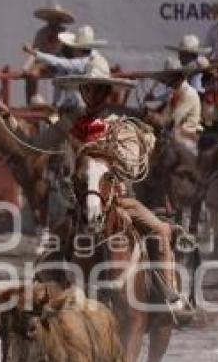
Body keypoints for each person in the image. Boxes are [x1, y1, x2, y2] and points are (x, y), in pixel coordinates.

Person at [50, 62, 194, 319]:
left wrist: (98, 155)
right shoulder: (73, 128)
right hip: (81, 201)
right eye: (88, 90)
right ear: (83, 92)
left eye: (98, 90)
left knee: (159, 230)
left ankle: (168, 291)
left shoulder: (121, 125)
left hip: (119, 199)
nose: (93, 95)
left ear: (107, 92)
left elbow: (131, 164)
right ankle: (49, 289)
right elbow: (64, 166)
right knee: (54, 238)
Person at [23, 24, 109, 109]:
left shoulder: (80, 63)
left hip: (80, 104)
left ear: (78, 49)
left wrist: (34, 53)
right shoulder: (94, 60)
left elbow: (58, 62)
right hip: (88, 102)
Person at [145, 56, 203, 153]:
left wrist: (154, 117)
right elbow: (166, 115)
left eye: (169, 77)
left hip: (185, 136)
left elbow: (173, 120)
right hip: (173, 133)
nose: (167, 81)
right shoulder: (176, 92)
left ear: (178, 77)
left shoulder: (188, 94)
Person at [22, 2, 75, 105]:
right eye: (51, 18)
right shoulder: (42, 33)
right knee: (31, 74)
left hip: (61, 64)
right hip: (44, 64)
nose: (53, 21)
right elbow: (35, 51)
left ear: (60, 20)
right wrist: (26, 67)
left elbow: (71, 54)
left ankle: (61, 103)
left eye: (56, 18)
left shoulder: (67, 34)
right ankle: (32, 101)